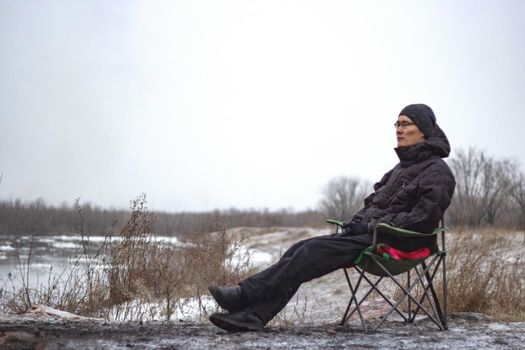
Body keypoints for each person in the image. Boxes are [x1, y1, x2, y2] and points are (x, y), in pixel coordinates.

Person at [208, 103, 456, 332]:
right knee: (301, 248)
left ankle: (244, 295)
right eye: (397, 124)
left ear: (424, 130)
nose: (399, 130)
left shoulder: (438, 172)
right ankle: (253, 315)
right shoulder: (400, 169)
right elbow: (374, 203)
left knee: (310, 252)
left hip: (399, 242)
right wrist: (357, 223)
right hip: (372, 235)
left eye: (406, 124)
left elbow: (423, 219)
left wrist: (376, 225)